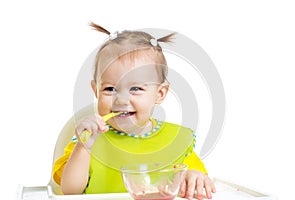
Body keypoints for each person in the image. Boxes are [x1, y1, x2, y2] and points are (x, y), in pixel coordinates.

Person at [52, 22, 216, 200]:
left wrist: (194, 177)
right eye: (110, 89)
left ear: (159, 94)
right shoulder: (89, 138)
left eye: (136, 88)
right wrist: (83, 148)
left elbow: (200, 182)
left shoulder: (174, 141)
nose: (121, 100)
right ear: (96, 91)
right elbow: (70, 191)